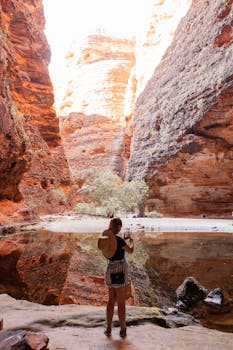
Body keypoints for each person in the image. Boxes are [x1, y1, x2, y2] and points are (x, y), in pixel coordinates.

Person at [98, 217, 134, 338]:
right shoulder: (120, 240)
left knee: (110, 301)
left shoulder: (106, 239)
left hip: (110, 269)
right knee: (121, 302)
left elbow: (113, 247)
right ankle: (123, 329)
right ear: (118, 227)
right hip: (120, 270)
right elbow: (130, 251)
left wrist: (121, 240)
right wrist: (131, 240)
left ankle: (108, 328)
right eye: (120, 226)